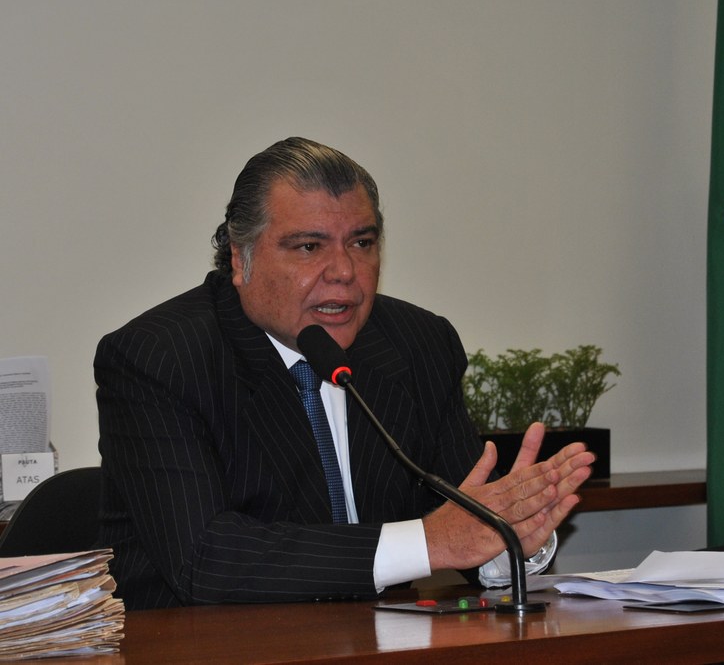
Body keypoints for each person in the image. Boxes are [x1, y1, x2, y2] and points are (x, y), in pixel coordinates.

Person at [94, 137, 595, 610]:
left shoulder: (418, 344)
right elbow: (206, 559)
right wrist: (429, 541)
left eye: (361, 242)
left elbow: (464, 522)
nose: (344, 271)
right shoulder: (160, 359)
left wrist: (510, 537)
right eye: (309, 247)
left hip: (380, 642)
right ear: (240, 260)